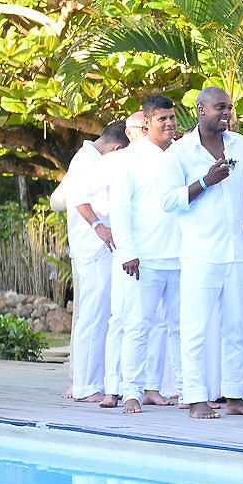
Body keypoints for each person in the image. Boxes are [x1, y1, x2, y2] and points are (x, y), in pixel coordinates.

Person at [164, 87, 243, 420]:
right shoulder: (180, 152)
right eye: (219, 107)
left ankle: (235, 395)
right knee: (196, 328)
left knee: (236, 327)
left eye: (229, 107)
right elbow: (167, 201)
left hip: (237, 253)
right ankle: (196, 398)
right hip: (201, 253)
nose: (226, 112)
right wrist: (205, 181)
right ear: (201, 109)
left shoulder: (240, 146)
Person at [111, 96, 183, 414]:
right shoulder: (130, 159)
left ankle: (184, 389)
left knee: (181, 326)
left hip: (181, 255)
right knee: (138, 325)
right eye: (162, 119)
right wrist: (128, 251)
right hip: (144, 258)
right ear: (148, 122)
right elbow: (120, 208)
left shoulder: (183, 154)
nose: (169, 123)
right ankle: (131, 391)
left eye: (172, 118)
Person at [53, 120, 128, 402]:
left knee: (98, 315)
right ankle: (86, 385)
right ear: (117, 147)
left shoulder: (90, 158)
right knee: (94, 317)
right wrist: (100, 226)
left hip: (99, 249)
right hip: (94, 248)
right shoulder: (87, 161)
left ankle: (90, 382)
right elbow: (79, 199)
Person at [100, 109, 151, 405]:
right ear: (129, 131)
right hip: (124, 252)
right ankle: (112, 388)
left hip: (153, 254)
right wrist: (100, 226)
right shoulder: (116, 160)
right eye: (142, 127)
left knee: (147, 322)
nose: (146, 132)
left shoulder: (163, 157)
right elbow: (79, 194)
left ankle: (148, 387)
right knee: (120, 317)